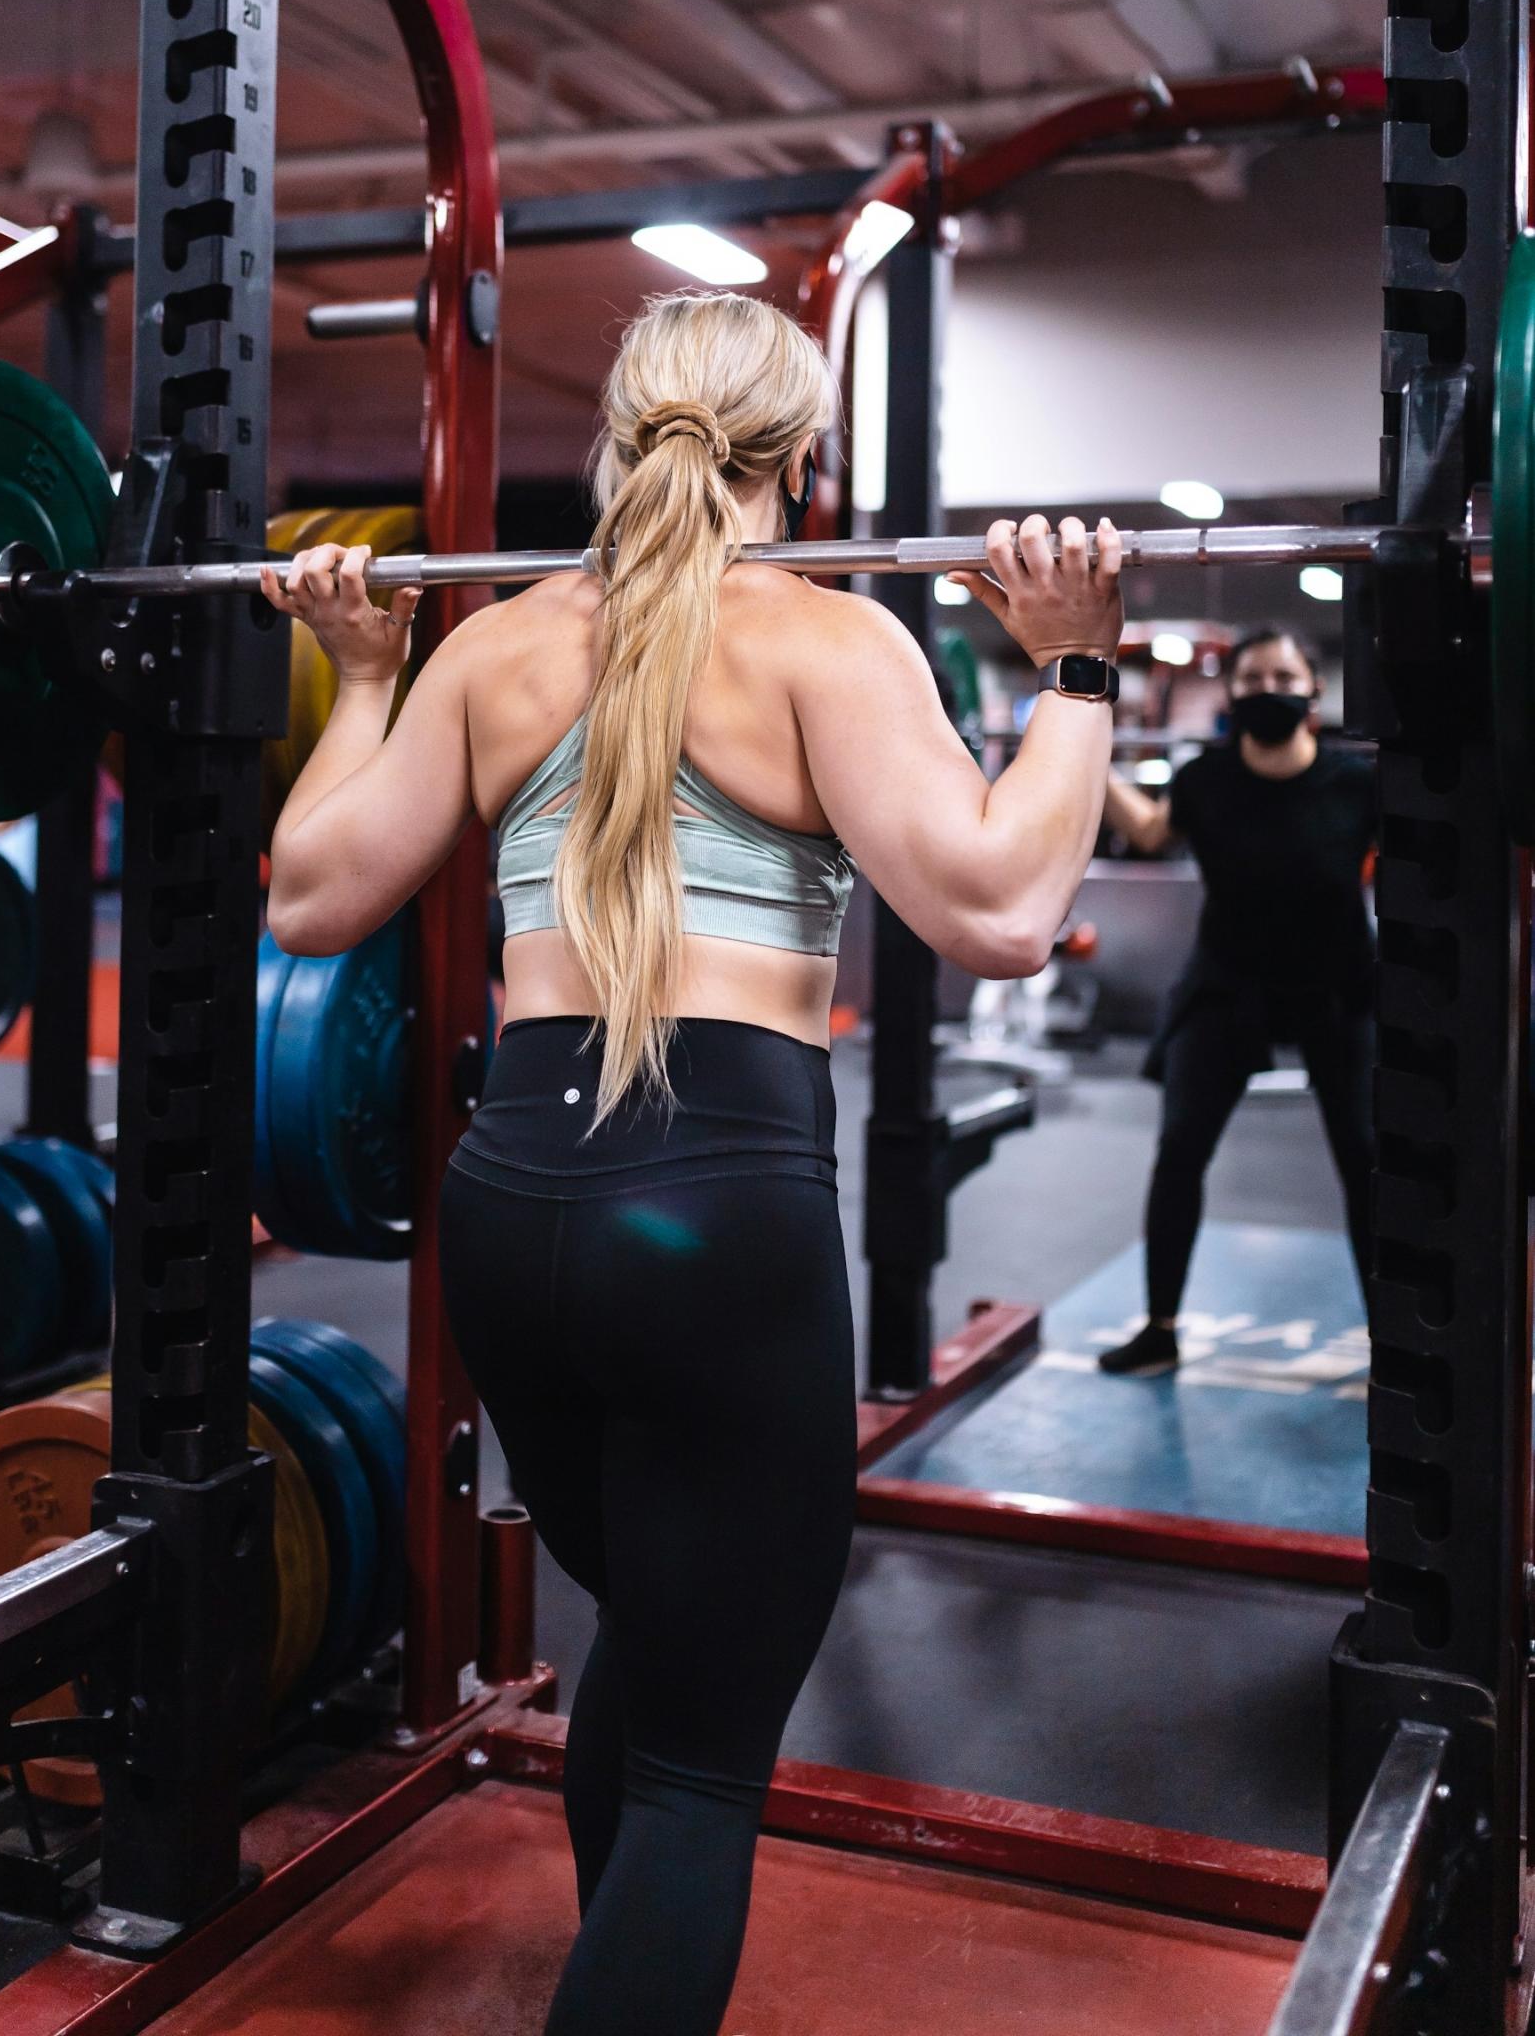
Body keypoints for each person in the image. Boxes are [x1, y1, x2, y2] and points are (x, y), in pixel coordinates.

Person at [261, 291, 1124, 2036]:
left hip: (512, 1216)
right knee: (699, 1772)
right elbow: (1003, 913)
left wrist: (359, 680)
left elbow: (307, 896)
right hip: (713, 1218)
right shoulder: (826, 640)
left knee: (655, 1656)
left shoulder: (491, 648)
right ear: (797, 458)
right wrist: (1076, 669)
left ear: (619, 435)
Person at [1097, 628, 1376, 1377]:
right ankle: (1159, 1329)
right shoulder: (1205, 779)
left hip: (1338, 986)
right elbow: (1151, 833)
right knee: (1179, 1150)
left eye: (1283, 676)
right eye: (1251, 678)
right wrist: (1086, 760)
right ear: (1230, 691)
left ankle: (1394, 1339)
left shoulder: (1357, 784)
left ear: (1314, 690)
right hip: (1228, 984)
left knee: (1367, 1161)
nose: (1266, 690)